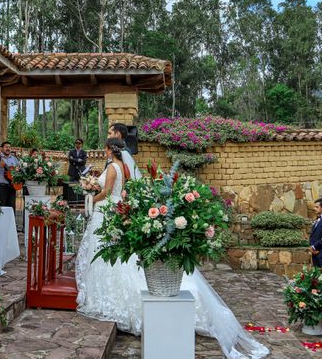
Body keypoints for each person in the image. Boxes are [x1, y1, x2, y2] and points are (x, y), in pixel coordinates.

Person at [76, 138, 269, 359]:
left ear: (109, 149)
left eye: (106, 146)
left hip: (107, 210)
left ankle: (113, 299)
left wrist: (90, 197)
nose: (104, 149)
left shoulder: (112, 167)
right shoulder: (125, 166)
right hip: (117, 208)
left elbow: (109, 191)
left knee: (107, 254)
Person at [0, 141, 19, 211]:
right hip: (0, 187)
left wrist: (17, 170)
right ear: (2, 148)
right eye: (6, 147)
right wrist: (0, 167)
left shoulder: (14, 159)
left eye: (9, 147)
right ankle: (1, 222)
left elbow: (19, 169)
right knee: (2, 207)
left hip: (12, 186)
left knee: (11, 208)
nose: (8, 149)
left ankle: (11, 222)